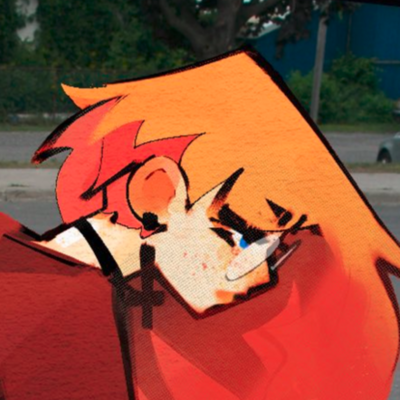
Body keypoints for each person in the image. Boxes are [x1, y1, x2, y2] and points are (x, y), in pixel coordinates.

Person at [1, 48, 399, 400]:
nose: (259, 277)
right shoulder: (74, 319)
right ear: (157, 192)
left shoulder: (81, 292)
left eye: (273, 252)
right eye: (244, 239)